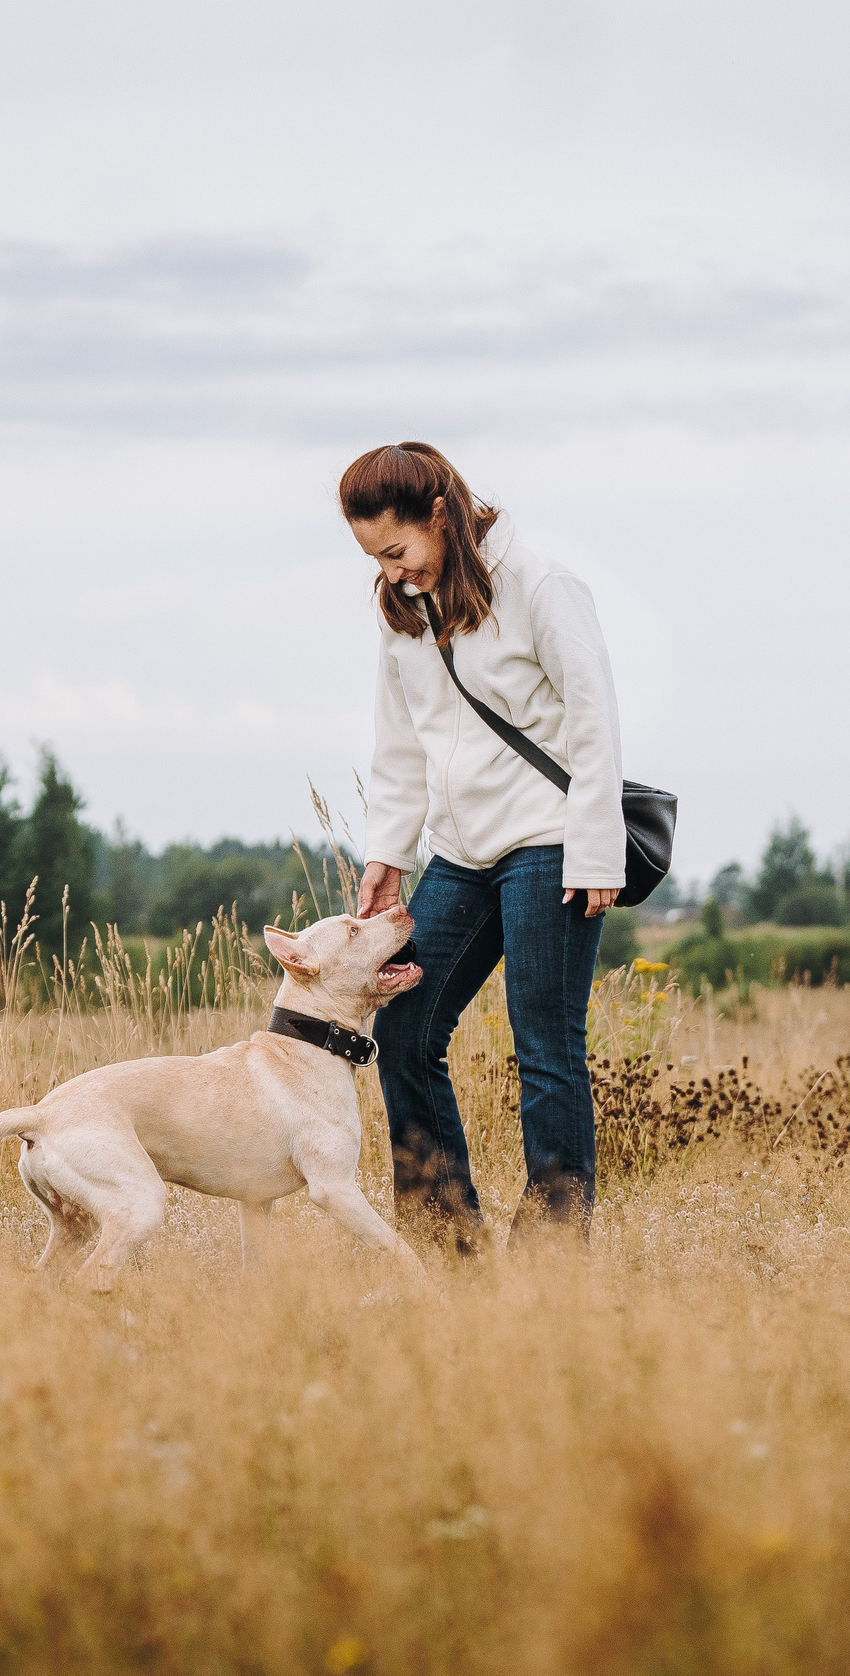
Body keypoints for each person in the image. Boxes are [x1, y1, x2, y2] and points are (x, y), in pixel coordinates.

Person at [345, 441, 624, 1249]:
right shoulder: (405, 612)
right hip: (461, 853)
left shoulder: (541, 585)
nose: (395, 573)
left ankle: (552, 1257)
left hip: (551, 841)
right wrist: (387, 858)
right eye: (375, 559)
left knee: (544, 1044)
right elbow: (399, 744)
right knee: (402, 1030)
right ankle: (446, 1247)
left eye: (398, 551)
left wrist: (596, 850)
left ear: (441, 516)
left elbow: (594, 718)